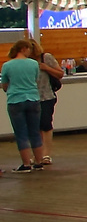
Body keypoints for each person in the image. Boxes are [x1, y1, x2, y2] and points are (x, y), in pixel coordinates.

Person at [1, 39, 44, 172]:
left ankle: (26, 164)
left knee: (21, 133)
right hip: (33, 99)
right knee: (35, 132)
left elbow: (5, 85)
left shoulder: (7, 65)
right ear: (24, 49)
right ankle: (39, 162)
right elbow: (35, 80)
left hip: (15, 100)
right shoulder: (34, 64)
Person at [29, 39, 61, 165]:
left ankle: (46, 154)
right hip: (31, 97)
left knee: (46, 124)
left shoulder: (46, 58)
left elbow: (60, 73)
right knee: (35, 127)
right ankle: (37, 154)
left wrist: (46, 68)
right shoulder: (26, 62)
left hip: (46, 96)